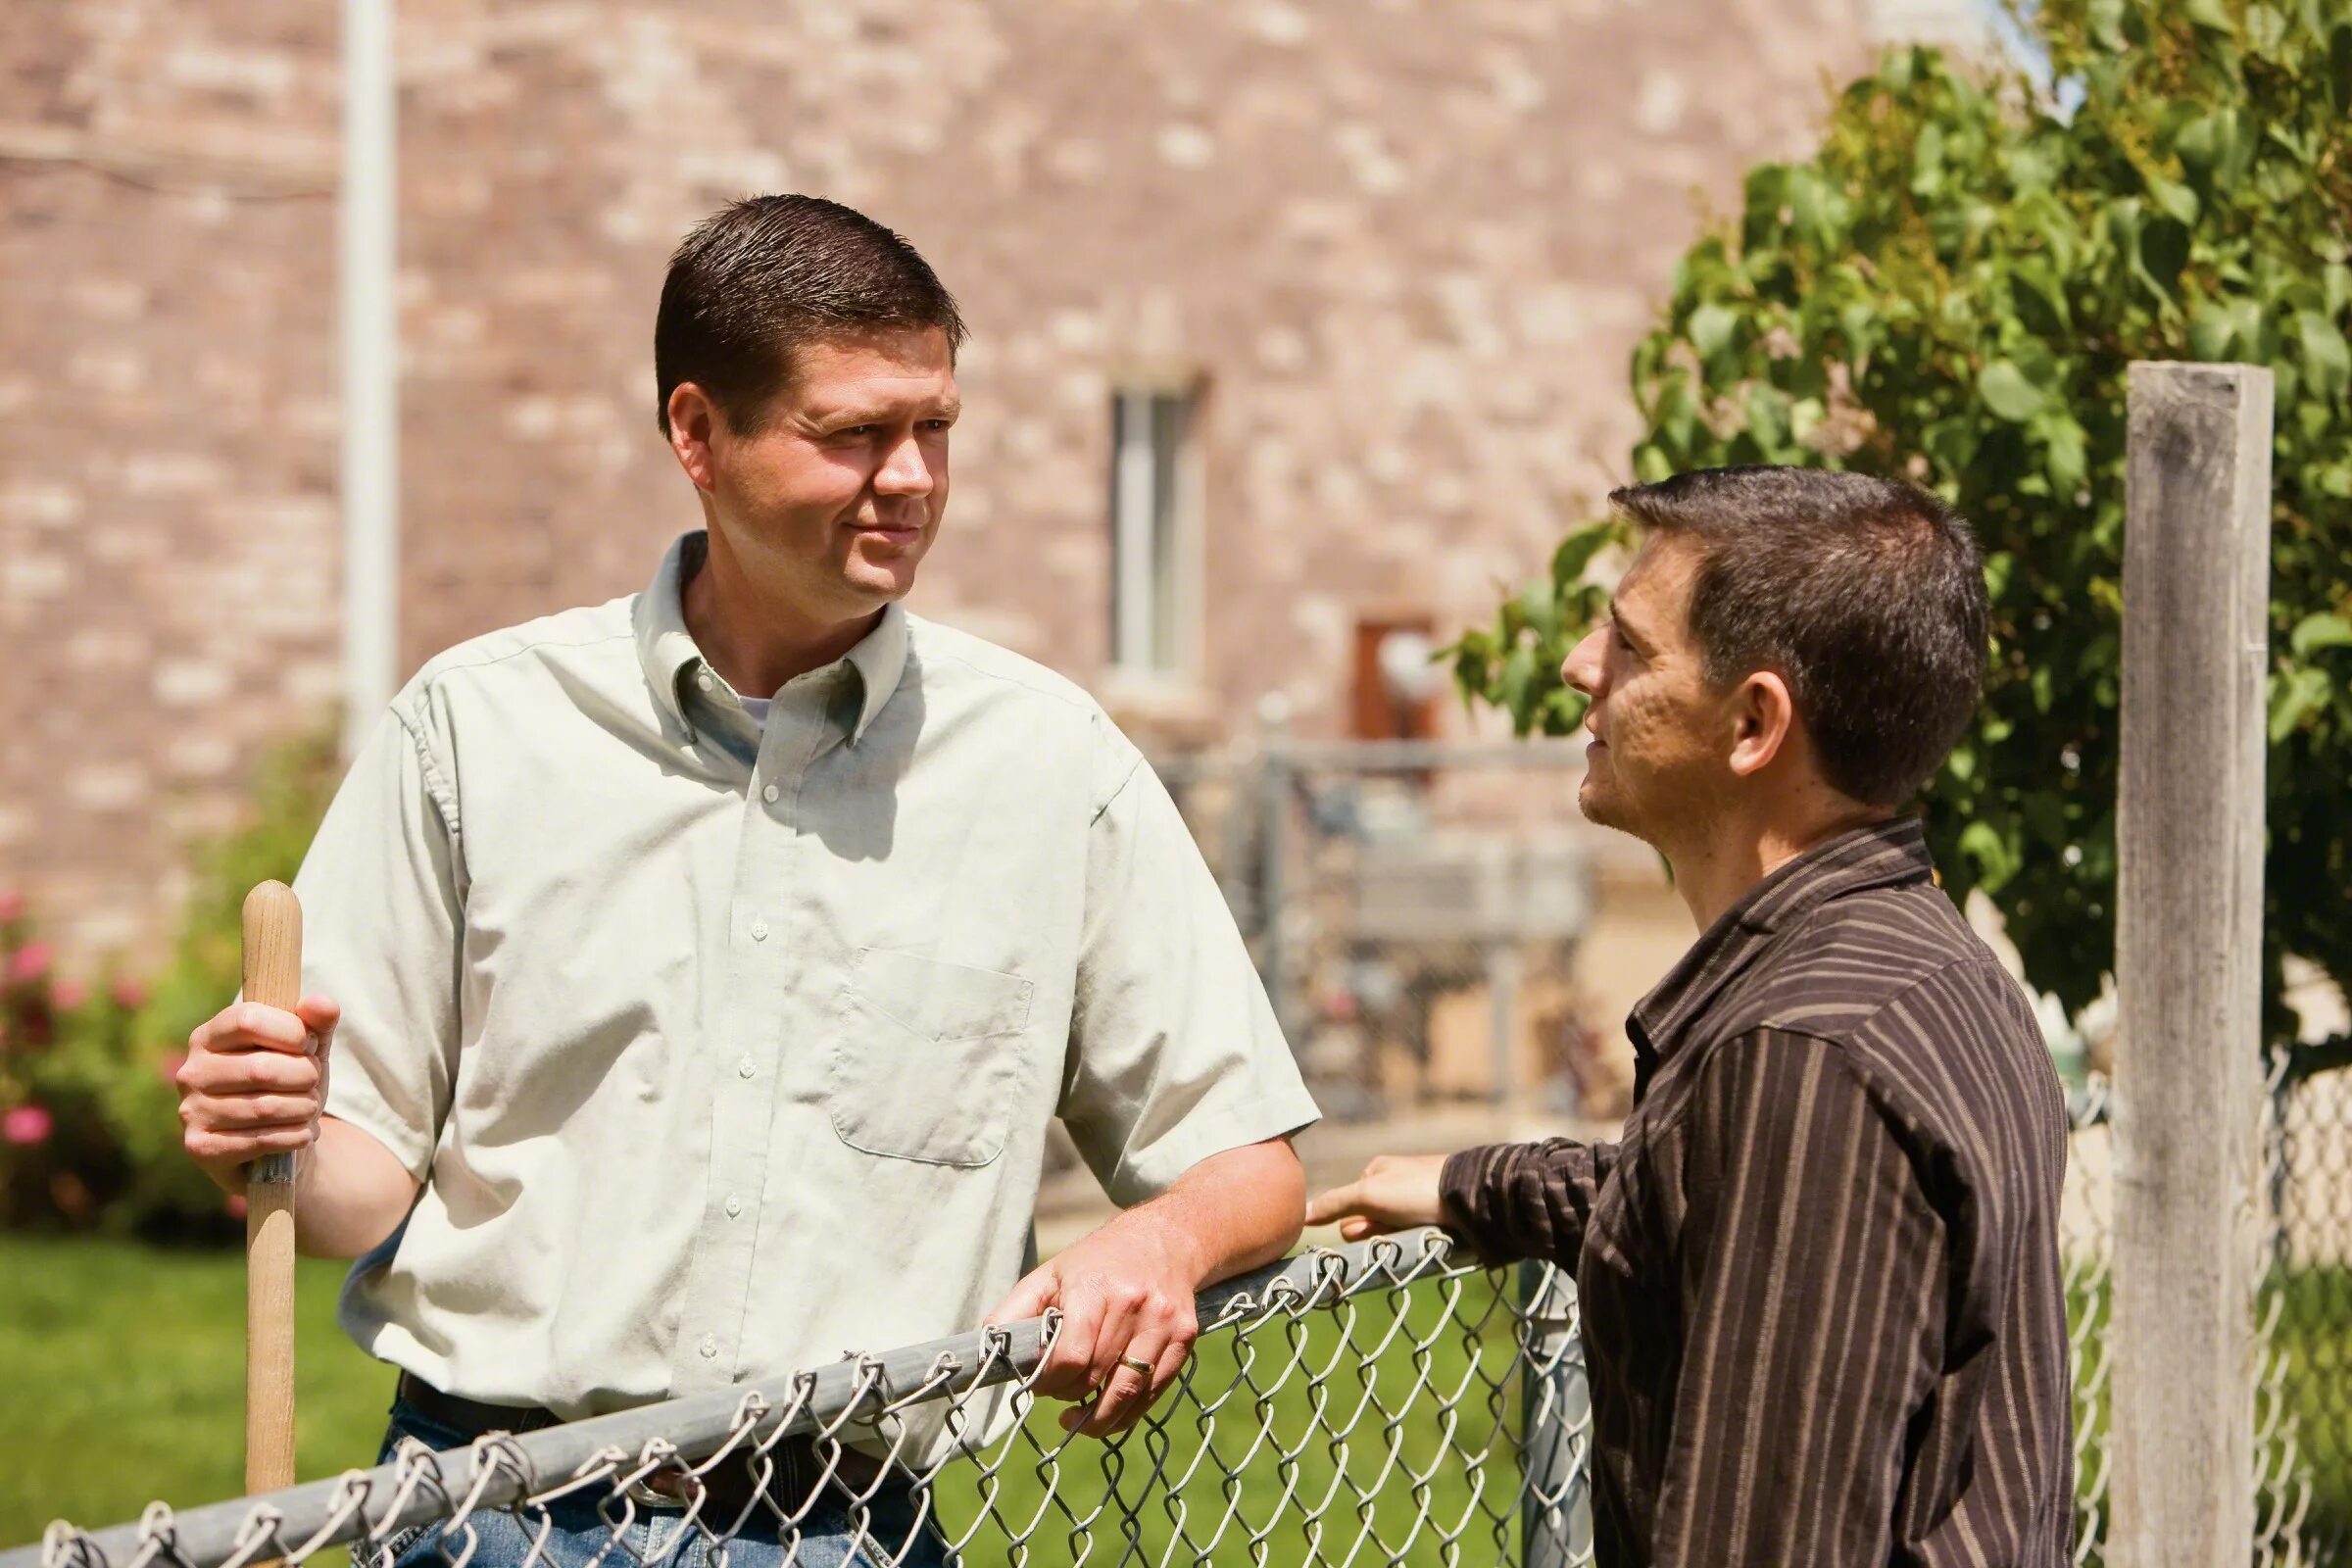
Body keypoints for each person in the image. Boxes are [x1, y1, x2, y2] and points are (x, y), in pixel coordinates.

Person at [172, 195, 1318, 1567]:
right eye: (853, 434)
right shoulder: (477, 731)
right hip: (488, 1519)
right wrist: (275, 1128)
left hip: (843, 1531)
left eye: (935, 427)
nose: (912, 478)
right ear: (698, 434)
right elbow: (356, 1189)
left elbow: (1248, 1159)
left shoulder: (1049, 766)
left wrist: (1166, 1241)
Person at [1309, 466, 2072, 1567]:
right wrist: (1474, 1183)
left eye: (1629, 646)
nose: (1580, 666)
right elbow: (1707, 1204)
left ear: (1755, 720)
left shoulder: (1803, 1061)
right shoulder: (1921, 962)